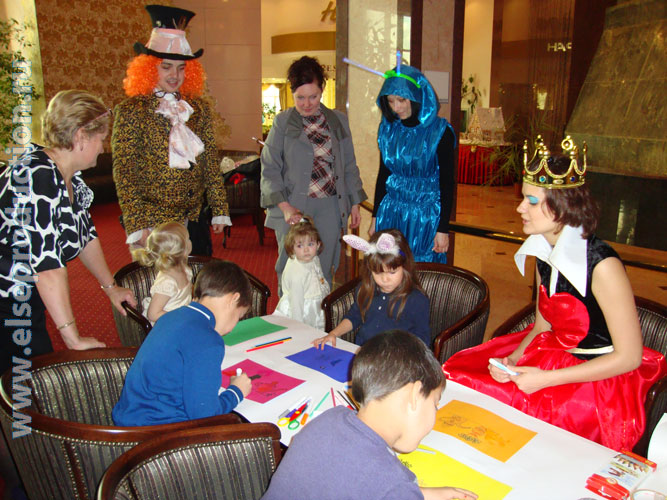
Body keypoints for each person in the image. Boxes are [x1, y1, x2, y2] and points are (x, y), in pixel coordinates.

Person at [443, 137, 667, 451]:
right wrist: (512, 360)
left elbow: (629, 357)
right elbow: (542, 326)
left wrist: (545, 379)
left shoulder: (603, 266)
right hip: (550, 359)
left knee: (529, 427)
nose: (520, 208)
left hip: (596, 380)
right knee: (469, 381)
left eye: (532, 201)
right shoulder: (543, 253)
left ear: (563, 207)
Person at [0, 89, 136, 375]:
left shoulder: (66, 176)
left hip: (22, 289)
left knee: (31, 370)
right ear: (81, 136)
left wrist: (111, 288)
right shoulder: (38, 176)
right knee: (28, 376)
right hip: (7, 294)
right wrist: (72, 338)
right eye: (101, 138)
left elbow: (86, 237)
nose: (102, 147)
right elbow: (48, 268)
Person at [262, 330, 478, 500]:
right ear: (414, 396)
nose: (435, 413)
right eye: (435, 404)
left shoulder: (330, 418)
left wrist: (419, 493)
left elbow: (345, 482)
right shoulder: (393, 485)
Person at [112, 5, 230, 257]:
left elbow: (210, 161)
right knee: (162, 281)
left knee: (196, 277)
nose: (175, 74)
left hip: (194, 218)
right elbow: (125, 172)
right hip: (153, 223)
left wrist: (219, 208)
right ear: (149, 68)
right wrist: (137, 224)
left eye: (181, 67)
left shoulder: (197, 109)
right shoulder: (132, 110)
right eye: (166, 66)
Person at [260, 55, 367, 292]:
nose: (307, 103)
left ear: (322, 91)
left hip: (330, 205)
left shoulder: (338, 121)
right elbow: (269, 168)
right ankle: (289, 313)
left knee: (324, 268)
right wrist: (285, 207)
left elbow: (349, 164)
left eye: (313, 97)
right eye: (300, 97)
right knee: (290, 269)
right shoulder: (282, 122)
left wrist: (354, 203)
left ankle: (319, 314)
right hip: (293, 205)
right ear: (292, 93)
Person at [112, 260, 253, 426]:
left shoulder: (171, 316)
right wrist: (236, 392)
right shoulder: (208, 341)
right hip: (159, 431)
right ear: (233, 299)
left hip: (130, 418)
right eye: (238, 316)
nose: (234, 325)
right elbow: (205, 415)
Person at [370, 64, 456, 263]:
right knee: (390, 267)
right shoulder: (388, 130)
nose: (396, 107)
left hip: (425, 216)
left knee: (421, 268)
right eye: (390, 101)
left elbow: (447, 183)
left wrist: (443, 228)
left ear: (417, 96)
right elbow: (384, 175)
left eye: (401, 100)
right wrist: (375, 217)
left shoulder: (440, 132)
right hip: (392, 211)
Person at [313, 230, 430, 348]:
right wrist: (333, 334)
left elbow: (422, 340)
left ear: (405, 267)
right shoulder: (365, 289)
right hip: (363, 351)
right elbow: (354, 316)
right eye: (377, 272)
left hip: (395, 356)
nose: (385, 279)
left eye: (392, 272)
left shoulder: (417, 300)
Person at [273, 217, 330, 330]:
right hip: (302, 310)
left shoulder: (314, 259)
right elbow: (296, 304)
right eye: (300, 246)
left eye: (310, 244)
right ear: (292, 248)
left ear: (318, 245)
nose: (306, 250)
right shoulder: (297, 273)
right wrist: (298, 328)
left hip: (315, 303)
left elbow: (320, 277)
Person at [132, 221, 193, 325]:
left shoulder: (185, 269)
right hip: (167, 324)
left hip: (182, 317)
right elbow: (153, 314)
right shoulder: (167, 283)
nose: (190, 241)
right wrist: (180, 318)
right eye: (188, 239)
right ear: (183, 250)